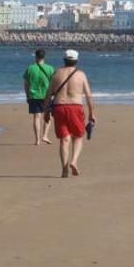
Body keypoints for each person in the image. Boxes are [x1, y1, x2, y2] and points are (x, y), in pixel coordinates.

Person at [44, 49, 95, 178]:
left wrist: (46, 112)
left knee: (64, 139)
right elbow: (89, 95)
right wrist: (91, 113)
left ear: (64, 60)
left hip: (59, 107)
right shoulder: (81, 75)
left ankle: (64, 169)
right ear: (76, 61)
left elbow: (48, 94)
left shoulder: (56, 73)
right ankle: (74, 161)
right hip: (75, 107)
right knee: (78, 136)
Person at [23, 49, 55, 146]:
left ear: (35, 57)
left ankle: (37, 140)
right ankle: (44, 135)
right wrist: (53, 94)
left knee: (36, 117)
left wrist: (27, 96)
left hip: (34, 96)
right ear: (44, 57)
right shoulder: (50, 68)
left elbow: (26, 84)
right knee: (48, 117)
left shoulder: (30, 68)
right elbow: (53, 83)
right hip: (47, 96)